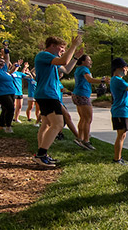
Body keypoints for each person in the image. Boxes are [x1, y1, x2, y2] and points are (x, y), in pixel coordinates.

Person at [33, 35, 82, 168]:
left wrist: (76, 57)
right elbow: (64, 61)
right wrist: (74, 45)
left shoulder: (51, 60)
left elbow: (66, 69)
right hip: (47, 95)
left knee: (47, 125)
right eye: (61, 47)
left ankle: (42, 153)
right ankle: (41, 155)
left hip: (48, 95)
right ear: (52, 46)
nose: (63, 50)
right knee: (58, 124)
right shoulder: (44, 55)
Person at [71, 55, 107, 150]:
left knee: (83, 118)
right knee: (88, 119)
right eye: (89, 60)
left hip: (77, 94)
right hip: (82, 95)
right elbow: (89, 79)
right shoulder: (84, 69)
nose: (91, 62)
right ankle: (86, 141)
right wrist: (103, 80)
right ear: (83, 61)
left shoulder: (78, 69)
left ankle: (80, 138)